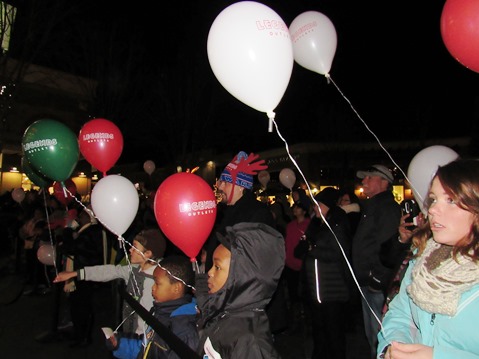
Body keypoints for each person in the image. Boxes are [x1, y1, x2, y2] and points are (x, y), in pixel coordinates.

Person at [378, 158, 479, 359]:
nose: (432, 210)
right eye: (433, 199)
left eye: (450, 200)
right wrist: (394, 346)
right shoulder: (425, 261)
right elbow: (400, 313)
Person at [203, 151, 288, 334]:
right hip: (230, 300)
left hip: (246, 308)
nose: (220, 186)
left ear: (240, 186)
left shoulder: (257, 214)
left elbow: (256, 267)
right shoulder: (230, 211)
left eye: (225, 182)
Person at [54, 228, 166, 336]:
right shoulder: (134, 269)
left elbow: (150, 318)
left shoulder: (158, 281)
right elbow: (108, 271)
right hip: (132, 334)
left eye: (134, 247)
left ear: (148, 253)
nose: (130, 250)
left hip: (145, 339)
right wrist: (75, 273)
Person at [195, 222, 285, 358]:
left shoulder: (249, 341)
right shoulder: (225, 312)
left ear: (242, 276)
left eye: (217, 267)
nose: (210, 272)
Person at [294, 187, 352, 359]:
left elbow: (338, 253)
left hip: (333, 292)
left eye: (318, 204)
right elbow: (300, 250)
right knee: (320, 335)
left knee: (334, 337)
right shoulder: (316, 224)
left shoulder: (337, 223)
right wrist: (308, 246)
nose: (315, 208)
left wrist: (312, 249)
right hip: (317, 292)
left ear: (327, 206)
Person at [352, 164, 402, 359]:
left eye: (369, 177)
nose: (364, 181)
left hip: (376, 286)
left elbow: (387, 247)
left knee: (380, 335)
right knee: (372, 334)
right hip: (368, 282)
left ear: (383, 181)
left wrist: (376, 280)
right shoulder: (373, 206)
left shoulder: (387, 208)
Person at [107, 255, 198, 359]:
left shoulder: (183, 330)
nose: (153, 287)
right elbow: (146, 347)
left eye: (157, 283)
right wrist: (119, 344)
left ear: (176, 288)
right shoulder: (162, 312)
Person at [55, 206, 111, 347]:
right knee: (80, 306)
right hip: (85, 274)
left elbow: (71, 248)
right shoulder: (92, 231)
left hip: (84, 275)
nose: (78, 218)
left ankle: (82, 337)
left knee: (81, 307)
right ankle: (80, 334)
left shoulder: (90, 232)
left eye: (81, 215)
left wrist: (67, 230)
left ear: (88, 217)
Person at [283, 197, 311, 333]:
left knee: (304, 294)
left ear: (304, 211)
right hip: (289, 265)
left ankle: (306, 319)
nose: (295, 210)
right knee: (293, 293)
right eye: (294, 207)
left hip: (303, 266)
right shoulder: (290, 225)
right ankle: (294, 319)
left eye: (298, 207)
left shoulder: (309, 225)